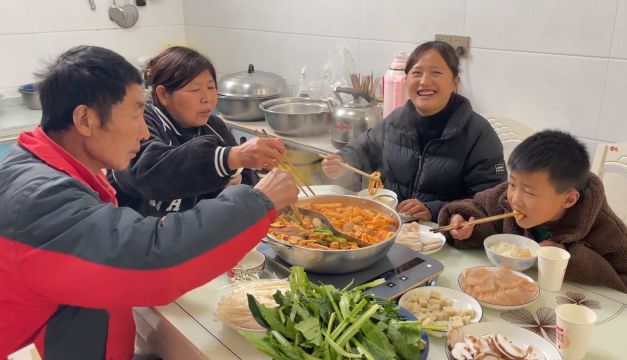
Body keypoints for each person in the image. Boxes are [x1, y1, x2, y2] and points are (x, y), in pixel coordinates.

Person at [0, 45, 298, 359]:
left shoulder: (40, 165)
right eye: (135, 114)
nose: (144, 133)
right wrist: (258, 201)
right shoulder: (39, 198)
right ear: (85, 120)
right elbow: (154, 257)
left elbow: (82, 301)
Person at [439, 130, 627, 296]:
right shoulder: (505, 198)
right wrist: (463, 221)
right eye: (512, 183)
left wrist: (569, 259)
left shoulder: (606, 228)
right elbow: (474, 206)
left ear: (569, 199)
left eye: (528, 191)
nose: (514, 198)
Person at [322, 41, 506, 222]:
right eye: (416, 73)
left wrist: (433, 210)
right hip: (386, 226)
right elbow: (361, 150)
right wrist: (341, 161)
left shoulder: (479, 134)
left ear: (455, 82)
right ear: (407, 79)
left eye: (436, 73)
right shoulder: (396, 120)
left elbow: (490, 203)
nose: (424, 81)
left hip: (443, 239)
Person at [108, 46, 284, 216]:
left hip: (192, 237)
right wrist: (228, 158)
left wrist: (237, 180)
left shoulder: (214, 126)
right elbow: (146, 173)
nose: (207, 99)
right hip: (141, 237)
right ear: (163, 95)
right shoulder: (141, 123)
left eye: (211, 87)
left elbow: (247, 182)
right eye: (194, 89)